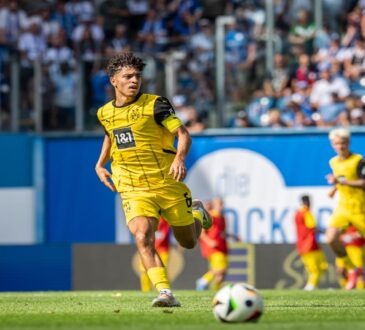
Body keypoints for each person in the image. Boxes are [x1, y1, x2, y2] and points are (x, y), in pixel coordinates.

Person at [95, 52, 212, 307]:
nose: (134, 80)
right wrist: (100, 163)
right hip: (133, 187)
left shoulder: (156, 104)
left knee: (188, 242)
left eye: (137, 76)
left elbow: (183, 134)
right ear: (114, 80)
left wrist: (180, 159)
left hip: (166, 181)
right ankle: (165, 293)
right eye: (127, 76)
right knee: (142, 237)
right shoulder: (104, 113)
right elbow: (110, 135)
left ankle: (197, 213)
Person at [326, 127, 365, 290]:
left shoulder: (359, 160)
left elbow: (363, 182)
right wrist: (335, 187)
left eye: (342, 143)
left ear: (348, 143)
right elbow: (340, 179)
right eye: (336, 144)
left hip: (360, 208)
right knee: (330, 238)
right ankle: (352, 269)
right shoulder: (333, 162)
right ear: (332, 145)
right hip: (343, 207)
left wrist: (342, 182)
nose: (340, 146)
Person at [196, 197, 238, 291]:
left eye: (222, 204)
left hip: (222, 246)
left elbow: (222, 232)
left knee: (223, 273)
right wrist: (209, 241)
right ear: (214, 205)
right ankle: (203, 280)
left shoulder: (222, 218)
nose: (221, 206)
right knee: (220, 268)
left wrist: (233, 236)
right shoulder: (210, 216)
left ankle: (216, 290)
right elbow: (201, 232)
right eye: (219, 204)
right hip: (213, 248)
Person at [294, 195, 328, 291]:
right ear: (307, 202)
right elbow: (312, 227)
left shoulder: (297, 213)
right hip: (308, 245)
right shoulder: (306, 212)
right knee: (315, 269)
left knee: (322, 266)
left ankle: (313, 286)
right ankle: (310, 287)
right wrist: (327, 232)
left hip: (309, 245)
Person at [140, 217, 171, 292]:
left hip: (162, 250)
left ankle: (165, 291)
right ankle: (145, 291)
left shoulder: (165, 218)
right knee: (145, 270)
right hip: (148, 249)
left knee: (162, 270)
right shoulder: (146, 217)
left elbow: (164, 233)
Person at [335, 225, 365, 289]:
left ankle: (360, 291)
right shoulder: (343, 218)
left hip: (356, 247)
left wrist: (354, 236)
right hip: (344, 247)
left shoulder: (360, 218)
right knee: (341, 269)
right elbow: (338, 232)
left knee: (358, 271)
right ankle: (346, 287)